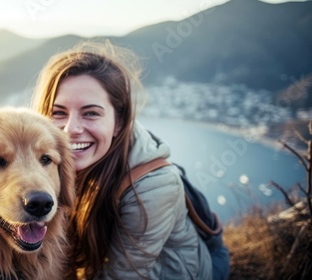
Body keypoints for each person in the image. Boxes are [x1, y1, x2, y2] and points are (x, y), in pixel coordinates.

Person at [32, 41, 226, 279]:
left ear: (120, 122)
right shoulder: (42, 163)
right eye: (58, 112)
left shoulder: (153, 186)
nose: (70, 129)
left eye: (91, 113)